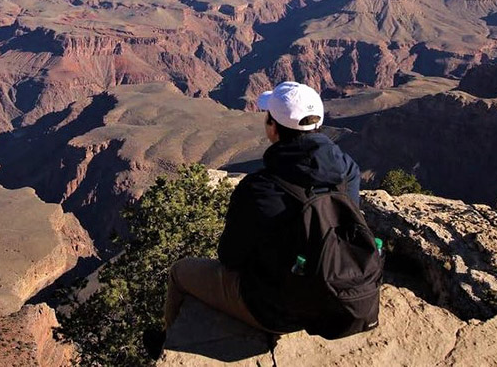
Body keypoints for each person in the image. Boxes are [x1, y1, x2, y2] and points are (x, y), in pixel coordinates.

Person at [144, 81, 362, 359]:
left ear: (273, 127)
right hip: (335, 296)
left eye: (267, 117)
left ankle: (166, 344)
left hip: (277, 311)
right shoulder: (349, 171)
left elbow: (230, 257)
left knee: (180, 272)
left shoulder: (260, 188)